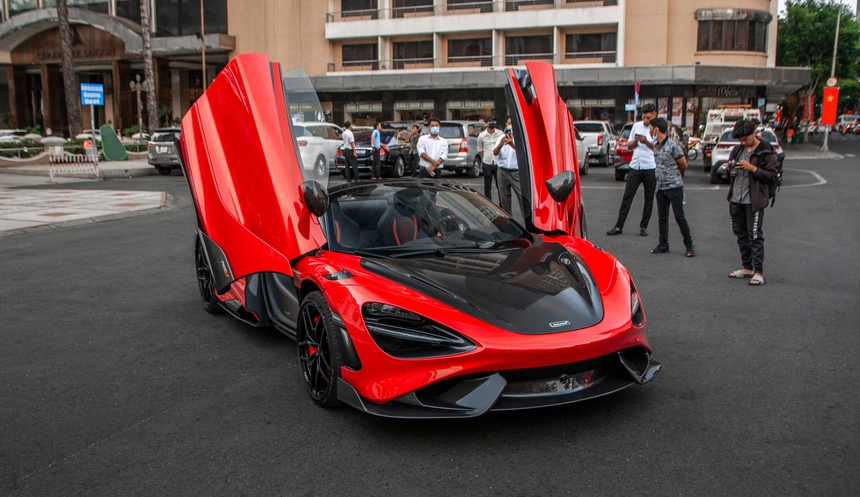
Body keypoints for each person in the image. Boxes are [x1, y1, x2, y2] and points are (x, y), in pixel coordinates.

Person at [726, 119, 780, 286]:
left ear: (753, 134)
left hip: (754, 199)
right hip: (736, 197)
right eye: (740, 140)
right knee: (740, 233)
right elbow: (730, 172)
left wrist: (753, 169)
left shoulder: (766, 151)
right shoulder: (737, 150)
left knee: (755, 235)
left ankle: (758, 271)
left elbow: (773, 176)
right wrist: (730, 168)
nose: (743, 142)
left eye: (745, 139)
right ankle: (747, 266)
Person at [607, 103, 658, 236]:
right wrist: (636, 142)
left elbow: (657, 147)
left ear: (654, 115)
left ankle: (644, 226)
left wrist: (646, 141)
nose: (646, 120)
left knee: (649, 198)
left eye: (648, 118)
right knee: (627, 196)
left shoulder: (658, 128)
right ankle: (619, 226)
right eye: (644, 118)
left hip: (650, 165)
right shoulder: (636, 126)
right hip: (635, 165)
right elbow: (629, 146)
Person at [648, 118, 694, 257]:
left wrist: (674, 175)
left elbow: (683, 164)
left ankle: (689, 245)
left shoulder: (673, 146)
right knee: (662, 217)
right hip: (660, 187)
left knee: (679, 216)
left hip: (674, 186)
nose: (650, 131)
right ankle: (663, 244)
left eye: (651, 128)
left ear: (657, 129)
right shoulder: (656, 146)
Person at [493, 117, 523, 214]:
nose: (510, 126)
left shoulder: (521, 138)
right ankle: (508, 222)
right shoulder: (500, 137)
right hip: (502, 171)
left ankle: (527, 223)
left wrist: (511, 144)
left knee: (522, 198)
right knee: (504, 200)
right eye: (509, 123)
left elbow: (522, 153)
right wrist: (500, 145)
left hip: (516, 172)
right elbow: (495, 153)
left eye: (512, 123)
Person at [476, 115, 503, 201]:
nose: (492, 123)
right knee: (487, 186)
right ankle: (489, 203)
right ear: (486, 123)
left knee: (500, 186)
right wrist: (486, 155)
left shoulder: (500, 133)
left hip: (498, 162)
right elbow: (480, 149)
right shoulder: (481, 136)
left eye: (494, 122)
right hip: (487, 162)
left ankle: (501, 204)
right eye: (490, 122)